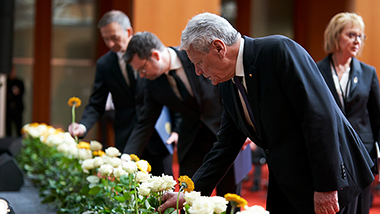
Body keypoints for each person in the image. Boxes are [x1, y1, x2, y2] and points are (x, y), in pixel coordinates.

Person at [158, 12, 375, 214]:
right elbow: (225, 144)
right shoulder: (227, 82)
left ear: (218, 48)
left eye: (199, 62)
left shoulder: (279, 51)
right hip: (287, 179)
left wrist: (327, 186)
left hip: (330, 180)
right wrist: (189, 193)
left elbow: (319, 118)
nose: (197, 71)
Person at [123, 31, 249, 206]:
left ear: (155, 55)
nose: (142, 75)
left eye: (142, 69)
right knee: (187, 199)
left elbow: (231, 89)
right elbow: (145, 122)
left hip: (226, 136)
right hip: (191, 143)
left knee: (229, 201)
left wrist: (244, 127)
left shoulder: (195, 56)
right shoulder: (151, 83)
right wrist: (127, 158)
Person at [68, 10, 172, 176]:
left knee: (163, 189)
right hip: (126, 135)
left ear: (128, 32)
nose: (110, 43)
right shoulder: (105, 64)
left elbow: (170, 94)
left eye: (114, 37)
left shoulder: (151, 55)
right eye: (105, 38)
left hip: (157, 135)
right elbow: (97, 102)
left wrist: (177, 128)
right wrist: (83, 126)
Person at [317, 12, 380, 214]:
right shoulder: (317, 71)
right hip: (331, 154)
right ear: (336, 35)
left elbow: (377, 117)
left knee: (361, 209)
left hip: (362, 155)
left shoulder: (368, 73)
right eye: (351, 34)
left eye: (360, 36)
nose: (357, 41)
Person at [6, 66, 24, 137]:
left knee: (18, 127)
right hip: (8, 109)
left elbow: (21, 93)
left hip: (17, 108)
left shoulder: (19, 82)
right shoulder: (6, 82)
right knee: (8, 128)